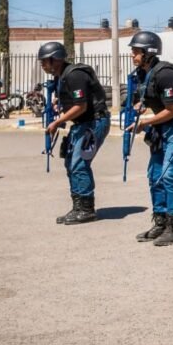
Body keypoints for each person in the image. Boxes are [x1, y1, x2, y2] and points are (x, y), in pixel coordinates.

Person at [126, 31, 173, 246]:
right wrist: (143, 105)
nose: (133, 56)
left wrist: (144, 123)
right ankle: (160, 220)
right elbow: (151, 98)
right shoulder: (143, 74)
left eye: (137, 52)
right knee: (154, 174)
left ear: (149, 53)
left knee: (169, 173)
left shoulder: (166, 74)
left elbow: (172, 111)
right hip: (161, 127)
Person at [39, 42, 110, 224]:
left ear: (54, 59)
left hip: (94, 122)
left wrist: (58, 121)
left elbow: (81, 106)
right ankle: (77, 206)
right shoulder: (62, 77)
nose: (42, 65)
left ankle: (87, 209)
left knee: (80, 163)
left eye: (44, 61)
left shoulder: (75, 75)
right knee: (71, 163)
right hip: (81, 123)